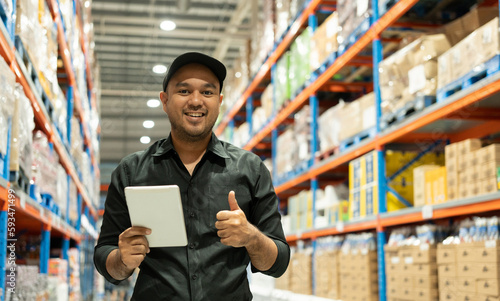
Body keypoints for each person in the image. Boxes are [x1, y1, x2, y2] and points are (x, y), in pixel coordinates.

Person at [94, 52, 290, 300]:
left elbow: (278, 262)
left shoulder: (250, 169)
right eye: (184, 91)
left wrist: (251, 238)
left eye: (207, 92)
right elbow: (105, 255)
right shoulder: (131, 171)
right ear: (164, 101)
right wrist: (122, 260)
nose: (196, 101)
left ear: (219, 101)